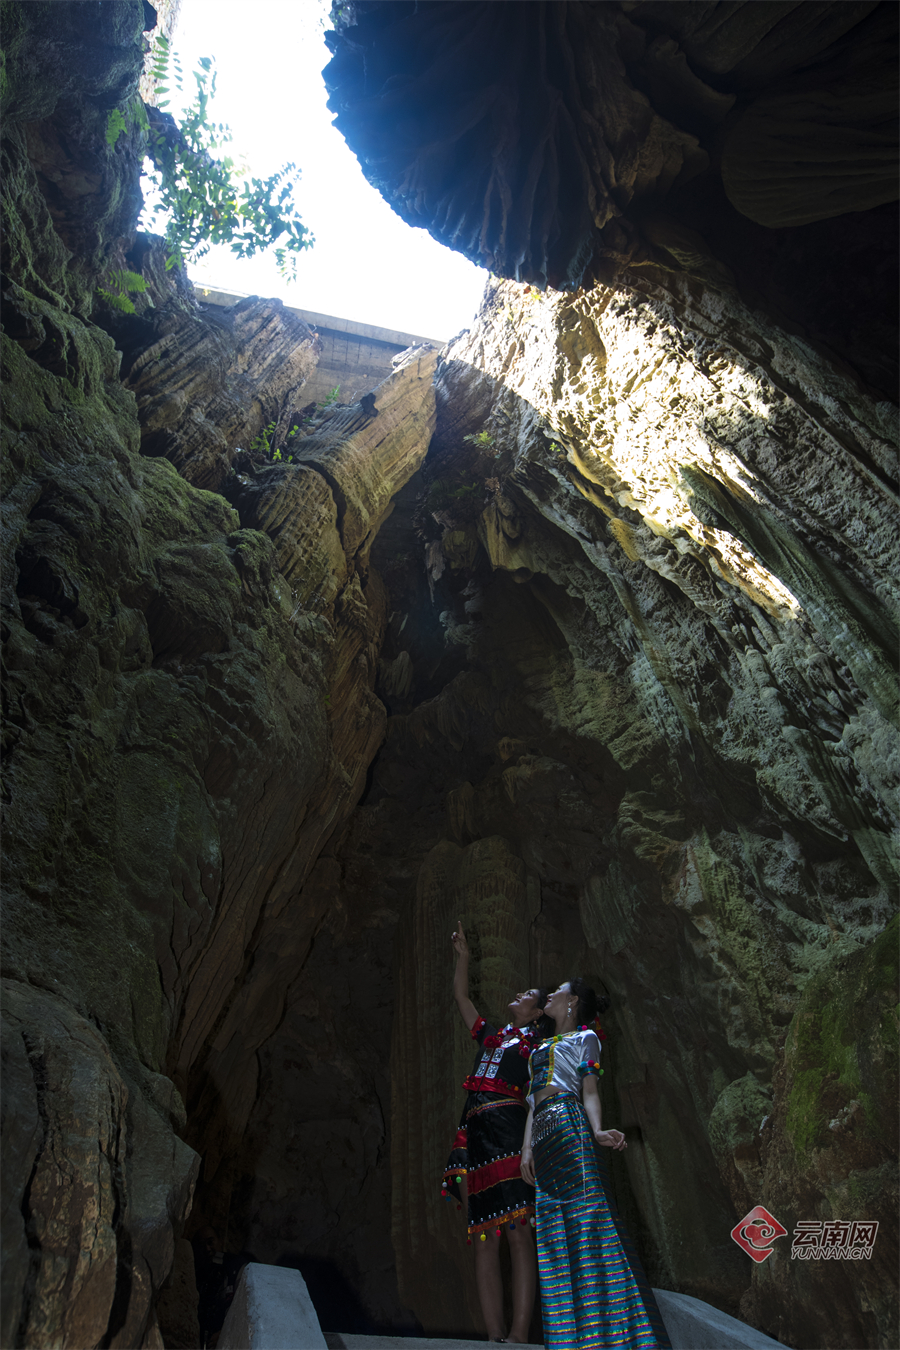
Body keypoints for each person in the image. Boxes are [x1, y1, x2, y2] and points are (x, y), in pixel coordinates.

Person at [520, 979, 671, 1350]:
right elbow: (532, 1103)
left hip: (571, 1127)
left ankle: (618, 1337)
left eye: (558, 990)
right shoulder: (537, 1048)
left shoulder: (586, 1039)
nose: (549, 994)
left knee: (588, 1222)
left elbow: (589, 1090)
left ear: (572, 1002)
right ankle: (568, 1339)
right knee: (553, 1233)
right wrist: (526, 1149)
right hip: (542, 1134)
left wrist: (598, 1129)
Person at [443, 920, 549, 1344]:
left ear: (537, 1013)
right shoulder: (491, 1037)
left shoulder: (538, 1047)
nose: (519, 995)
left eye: (528, 996)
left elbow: (540, 1097)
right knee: (483, 1236)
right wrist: (464, 957)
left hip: (508, 1130)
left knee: (519, 1234)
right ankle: (494, 1336)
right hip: (472, 1132)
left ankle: (520, 1335)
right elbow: (461, 997)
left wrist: (530, 1146)